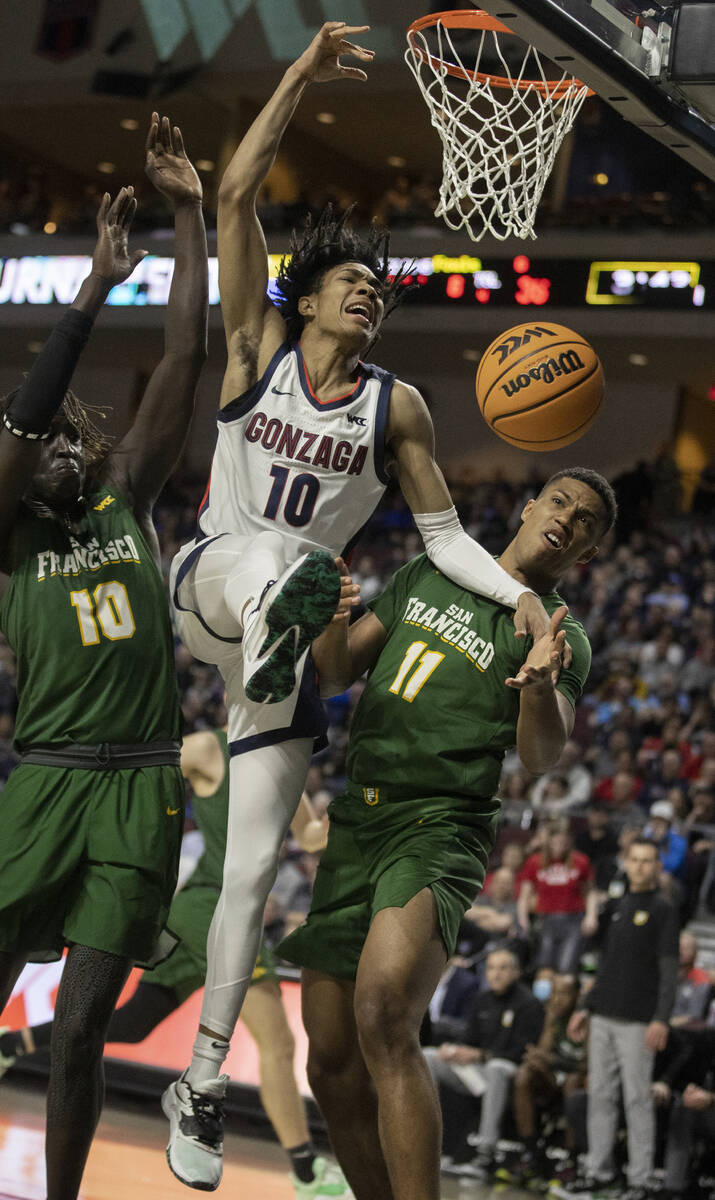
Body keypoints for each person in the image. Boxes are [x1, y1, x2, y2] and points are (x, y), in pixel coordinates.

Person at [164, 18, 553, 1189]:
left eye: (379, 291)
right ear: (310, 294)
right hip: (216, 584)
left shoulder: (399, 411)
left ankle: (203, 1076)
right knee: (290, 561)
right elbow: (234, 197)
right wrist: (293, 76)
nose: (370, 299)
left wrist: (526, 603)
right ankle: (295, 608)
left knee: (247, 869)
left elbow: (444, 542)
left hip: (275, 659)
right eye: (353, 284)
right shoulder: (256, 347)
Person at [278, 468, 617, 1200]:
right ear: (528, 508)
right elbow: (334, 673)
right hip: (358, 818)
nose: (568, 518)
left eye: (586, 520)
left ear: (585, 553)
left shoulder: (561, 636)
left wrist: (534, 690)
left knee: (383, 1012)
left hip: (438, 825)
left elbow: (540, 754)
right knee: (329, 1061)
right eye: (559, 501)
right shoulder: (428, 570)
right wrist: (333, 614)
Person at [0, 115, 207, 1200]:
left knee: (81, 1032)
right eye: (46, 443)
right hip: (42, 782)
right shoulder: (8, 529)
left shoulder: (124, 495)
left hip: (136, 785)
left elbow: (184, 355)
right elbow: (26, 418)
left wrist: (185, 212)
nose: (61, 448)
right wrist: (87, 290)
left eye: (81, 438)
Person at [1, 727, 350, 1199]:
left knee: (134, 1023)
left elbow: (309, 836)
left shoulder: (289, 761)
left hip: (210, 911)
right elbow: (139, 775)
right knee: (279, 1044)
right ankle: (308, 1176)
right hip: (213, 905)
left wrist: (357, 816)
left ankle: (14, 1042)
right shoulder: (211, 746)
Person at [563, 837, 680, 1200]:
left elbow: (669, 970)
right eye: (636, 860)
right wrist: (586, 1006)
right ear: (626, 863)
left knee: (637, 1100)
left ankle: (640, 1179)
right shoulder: (616, 905)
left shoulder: (663, 909)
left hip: (639, 1021)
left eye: (649, 861)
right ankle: (599, 1171)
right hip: (603, 1016)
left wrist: (661, 1018)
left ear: (658, 867)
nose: (641, 866)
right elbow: (605, 966)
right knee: (600, 1095)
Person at [424, 947, 544, 1178]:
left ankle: (485, 1153)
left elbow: (522, 1051)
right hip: (480, 1073)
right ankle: (432, 1139)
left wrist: (481, 1055)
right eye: (490, 968)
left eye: (502, 968)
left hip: (510, 1073)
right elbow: (470, 1039)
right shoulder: (483, 999)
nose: (495, 974)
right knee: (429, 1056)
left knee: (496, 1067)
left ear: (516, 972)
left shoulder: (528, 1003)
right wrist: (456, 1050)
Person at [517, 820, 599, 975]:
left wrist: (591, 916)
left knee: (566, 966)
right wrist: (523, 919)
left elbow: (590, 892)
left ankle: (563, 997)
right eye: (555, 842)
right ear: (548, 842)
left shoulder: (580, 861)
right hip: (545, 919)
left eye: (563, 842)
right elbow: (524, 895)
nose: (559, 847)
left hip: (573, 919)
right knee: (544, 967)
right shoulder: (535, 862)